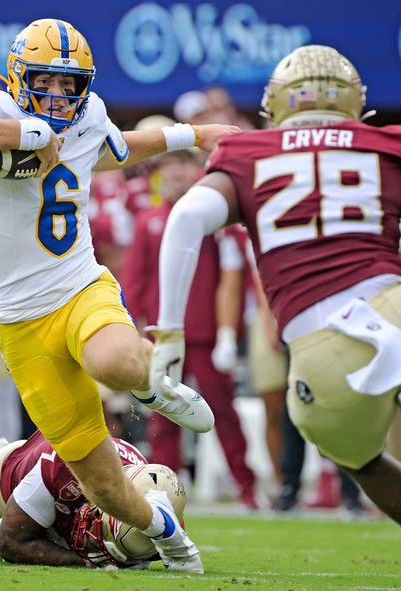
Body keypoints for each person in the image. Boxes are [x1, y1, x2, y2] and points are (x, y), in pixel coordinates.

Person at [0, 18, 237, 569]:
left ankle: (152, 386)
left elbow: (115, 149)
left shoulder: (89, 115)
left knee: (114, 361)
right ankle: (168, 533)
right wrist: (28, 135)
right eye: (44, 81)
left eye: (68, 83)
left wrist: (195, 135)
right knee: (102, 485)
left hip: (77, 285)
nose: (57, 94)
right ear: (17, 77)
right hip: (17, 320)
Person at [151, 44, 401, 558]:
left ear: (277, 102)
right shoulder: (386, 146)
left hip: (317, 339)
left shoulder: (250, 154)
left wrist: (169, 331)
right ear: (354, 100)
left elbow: (186, 218)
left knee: (358, 459)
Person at [0, 381, 200, 570]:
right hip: (5, 486)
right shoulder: (65, 468)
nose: (94, 532)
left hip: (55, 506)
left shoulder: (163, 513)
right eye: (100, 520)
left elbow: (181, 556)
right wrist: (86, 562)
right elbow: (7, 541)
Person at [120, 150, 258, 508]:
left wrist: (228, 333)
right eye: (170, 164)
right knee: (163, 417)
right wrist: (133, 327)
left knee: (224, 412)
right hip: (163, 334)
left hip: (206, 333)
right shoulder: (149, 219)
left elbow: (232, 278)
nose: (177, 171)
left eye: (184, 163)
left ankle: (246, 487)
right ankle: (162, 490)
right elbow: (135, 278)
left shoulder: (213, 219)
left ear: (198, 168)